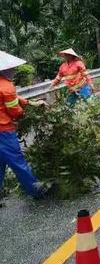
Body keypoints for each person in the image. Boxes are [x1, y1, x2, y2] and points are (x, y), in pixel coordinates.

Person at [0, 51, 52, 199]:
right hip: (3, 131)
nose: (14, 71)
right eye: (12, 68)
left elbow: (14, 98)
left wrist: (31, 103)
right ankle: (36, 189)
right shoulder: (6, 86)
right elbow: (15, 111)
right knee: (17, 161)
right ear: (5, 69)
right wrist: (27, 114)